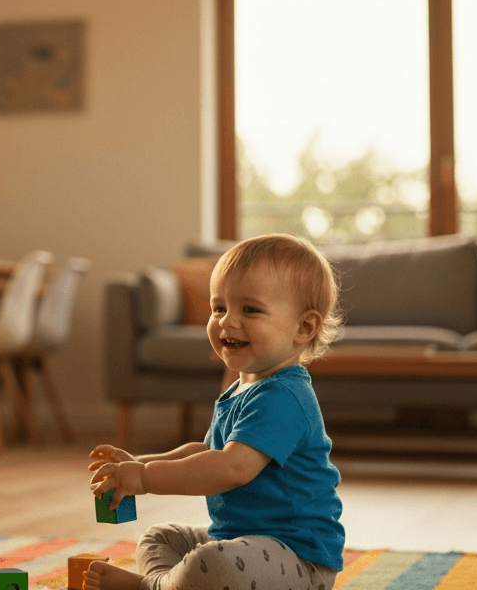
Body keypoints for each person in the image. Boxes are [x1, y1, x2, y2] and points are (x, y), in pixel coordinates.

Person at [85, 234, 345, 590]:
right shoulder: (241, 388)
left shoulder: (284, 396)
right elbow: (209, 451)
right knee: (159, 537)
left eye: (249, 310)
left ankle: (152, 586)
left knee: (214, 563)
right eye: (219, 308)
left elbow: (232, 468)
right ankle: (169, 583)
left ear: (304, 327)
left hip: (299, 560)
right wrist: (142, 463)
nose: (226, 321)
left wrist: (145, 478)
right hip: (240, 541)